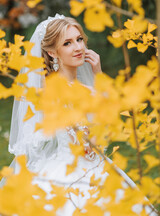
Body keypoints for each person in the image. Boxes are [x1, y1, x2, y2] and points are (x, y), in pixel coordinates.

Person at [7, 14, 157, 216]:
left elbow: (108, 131)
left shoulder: (88, 89)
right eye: (67, 43)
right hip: (74, 175)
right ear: (52, 52)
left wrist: (99, 75)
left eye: (79, 39)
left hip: (98, 166)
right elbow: (88, 146)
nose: (78, 47)